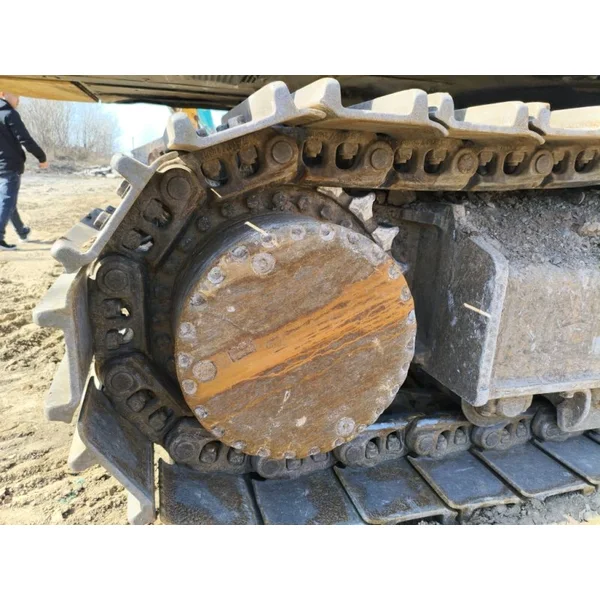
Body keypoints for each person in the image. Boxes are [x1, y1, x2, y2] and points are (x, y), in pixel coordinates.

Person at [0, 91, 48, 250]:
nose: (18, 100)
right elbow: (25, 139)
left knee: (8, 200)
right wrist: (41, 157)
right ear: (3, 94)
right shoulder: (9, 114)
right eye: (16, 96)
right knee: (7, 199)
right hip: (9, 165)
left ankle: (22, 231)